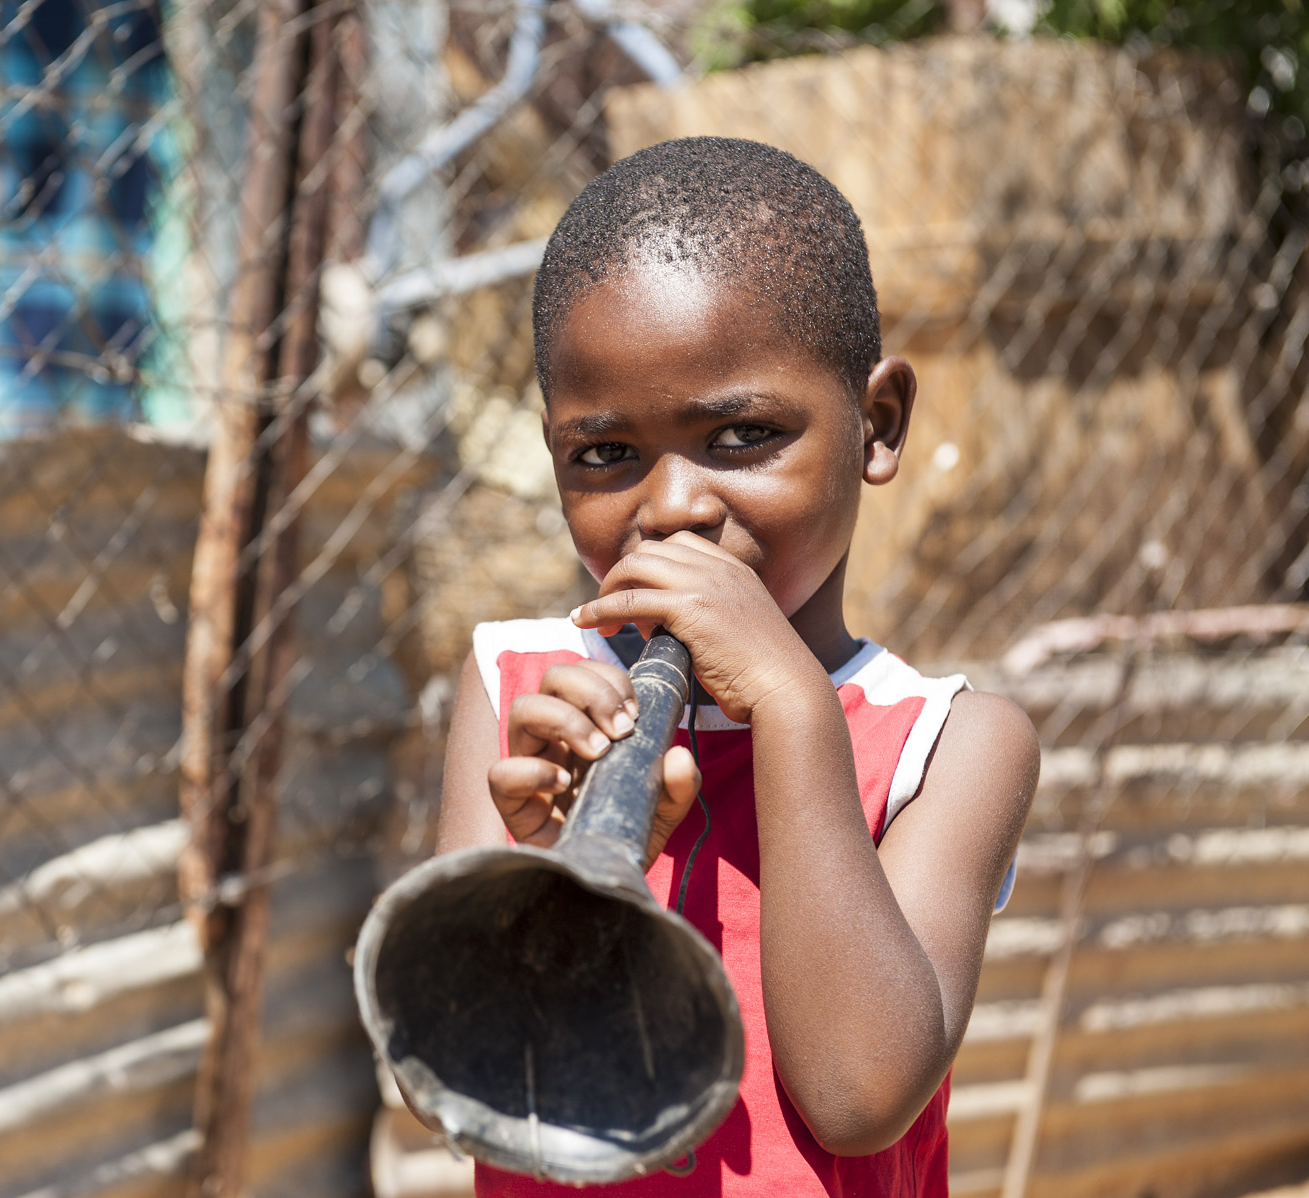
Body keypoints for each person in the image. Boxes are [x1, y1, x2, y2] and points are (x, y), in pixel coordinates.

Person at [433, 137, 1040, 1197]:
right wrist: (542, 888)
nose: (672, 509)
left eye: (743, 434)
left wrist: (793, 708)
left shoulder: (950, 745)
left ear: (876, 425)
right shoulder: (519, 692)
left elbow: (860, 1096)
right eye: (606, 454)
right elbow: (448, 1081)